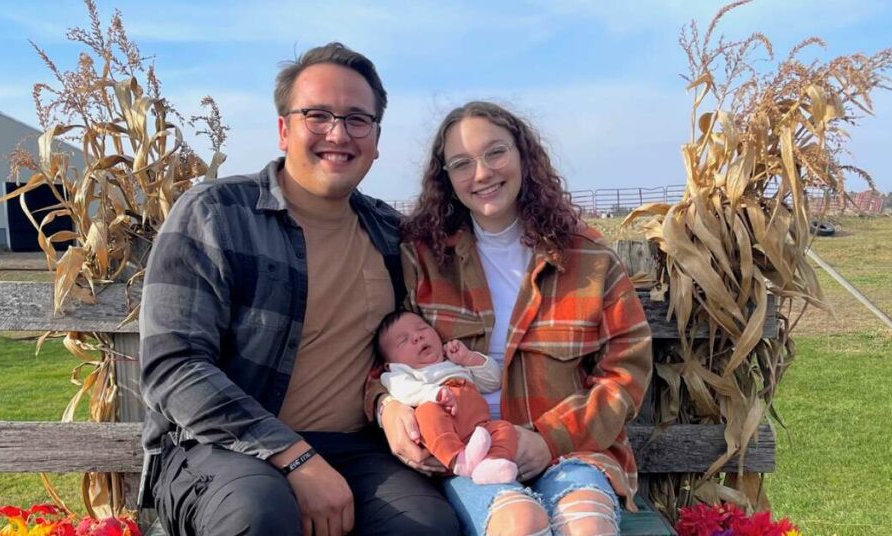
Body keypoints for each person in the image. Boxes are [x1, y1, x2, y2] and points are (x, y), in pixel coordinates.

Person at [139, 42, 459, 536]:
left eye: (357, 119)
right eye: (318, 115)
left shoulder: (393, 235)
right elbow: (173, 366)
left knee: (426, 525)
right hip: (222, 448)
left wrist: (392, 405)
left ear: (376, 138)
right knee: (259, 515)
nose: (338, 133)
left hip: (356, 447)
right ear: (284, 129)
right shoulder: (214, 214)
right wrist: (294, 456)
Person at [375, 101, 654, 536]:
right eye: (462, 163)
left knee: (588, 527)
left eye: (495, 153)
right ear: (446, 179)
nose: (482, 173)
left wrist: (548, 439)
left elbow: (626, 371)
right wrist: (386, 404)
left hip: (571, 449)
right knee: (519, 524)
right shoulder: (424, 258)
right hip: (466, 454)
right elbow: (383, 354)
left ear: (523, 155)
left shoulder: (588, 256)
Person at [375, 310, 519, 484]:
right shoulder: (399, 373)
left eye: (422, 328)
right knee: (427, 412)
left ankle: (491, 464)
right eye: (403, 340)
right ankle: (459, 461)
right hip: (445, 433)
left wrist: (469, 358)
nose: (417, 337)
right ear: (390, 363)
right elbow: (405, 391)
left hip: (477, 429)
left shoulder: (452, 362)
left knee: (504, 429)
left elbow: (493, 382)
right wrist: (434, 394)